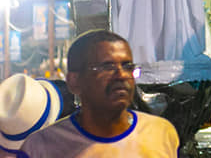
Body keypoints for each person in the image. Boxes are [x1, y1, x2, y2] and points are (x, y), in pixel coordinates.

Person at [19, 30, 178, 157]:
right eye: (107, 67)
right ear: (74, 82)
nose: (121, 75)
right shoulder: (42, 147)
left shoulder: (161, 133)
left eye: (127, 66)